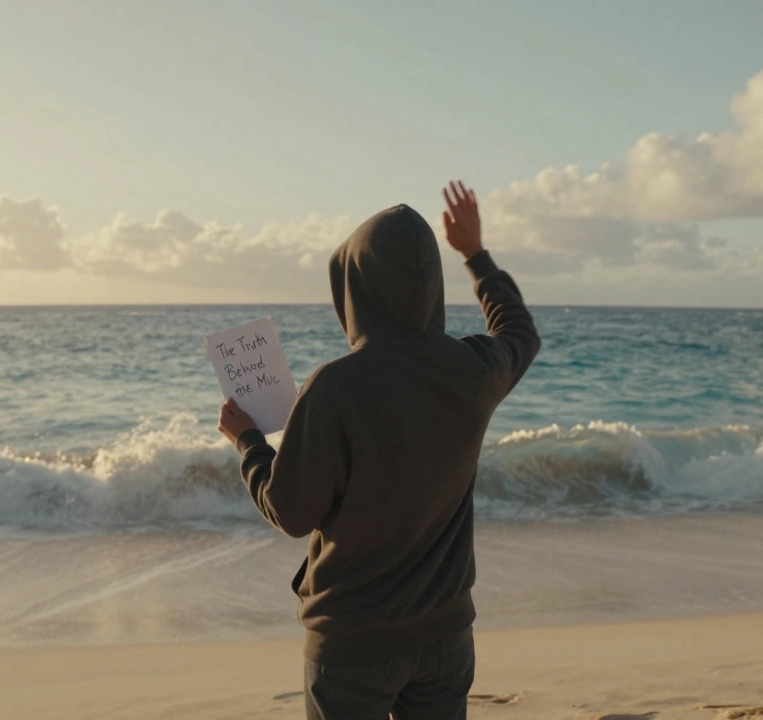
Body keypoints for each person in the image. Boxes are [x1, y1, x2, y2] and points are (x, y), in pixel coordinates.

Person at [217, 181, 540, 720]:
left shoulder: (334, 386)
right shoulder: (474, 368)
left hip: (352, 644)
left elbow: (292, 512)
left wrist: (247, 441)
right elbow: (520, 331)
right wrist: (475, 254)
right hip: (446, 635)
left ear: (353, 288)